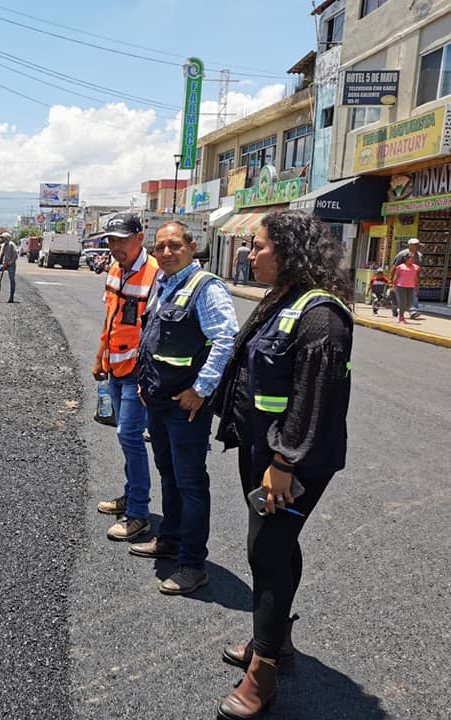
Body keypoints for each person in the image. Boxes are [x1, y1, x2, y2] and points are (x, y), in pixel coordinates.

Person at [211, 209, 353, 720]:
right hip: (262, 450)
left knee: (266, 553)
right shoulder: (282, 300)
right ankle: (275, 641)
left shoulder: (322, 315)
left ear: (289, 250)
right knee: (275, 547)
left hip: (291, 462)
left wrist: (284, 463)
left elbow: (314, 398)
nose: (250, 254)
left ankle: (264, 670)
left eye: (259, 246)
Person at [129, 221, 238, 595]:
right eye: (160, 247)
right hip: (158, 401)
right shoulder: (164, 284)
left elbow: (225, 339)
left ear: (193, 247)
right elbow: (152, 339)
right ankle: (170, 539)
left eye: (175, 245)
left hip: (186, 406)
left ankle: (192, 564)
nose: (166, 252)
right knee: (168, 473)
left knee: (191, 482)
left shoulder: (205, 288)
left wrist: (201, 389)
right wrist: (145, 383)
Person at [90, 212, 160, 542]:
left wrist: (149, 376)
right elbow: (110, 319)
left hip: (138, 371)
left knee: (130, 435)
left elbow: (158, 331)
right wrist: (99, 356)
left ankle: (138, 513)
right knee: (124, 437)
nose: (116, 246)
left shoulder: (155, 275)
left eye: (121, 240)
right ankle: (131, 495)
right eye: (111, 240)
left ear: (139, 238)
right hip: (115, 368)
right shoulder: (116, 269)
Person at [391, 238, 422, 319]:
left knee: (411, 298)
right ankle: (398, 310)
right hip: (401, 282)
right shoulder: (402, 254)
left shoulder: (420, 255)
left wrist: (418, 281)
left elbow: (418, 269)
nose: (417, 246)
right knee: (400, 298)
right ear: (409, 245)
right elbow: (394, 268)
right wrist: (391, 281)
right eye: (415, 245)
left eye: (418, 245)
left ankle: (413, 311)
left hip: (412, 282)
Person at [0, 231, 18, 302]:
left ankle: (11, 297)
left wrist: (9, 263)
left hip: (11, 265)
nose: (2, 239)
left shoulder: (12, 245)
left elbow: (15, 256)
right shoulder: (3, 245)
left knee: (12, 280)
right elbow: (0, 255)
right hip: (5, 264)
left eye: (3, 238)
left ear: (7, 238)